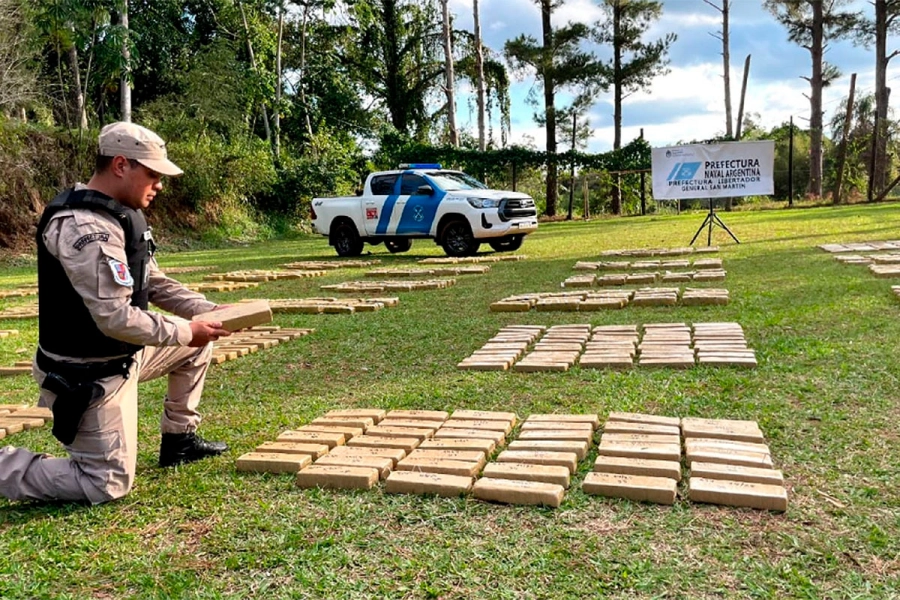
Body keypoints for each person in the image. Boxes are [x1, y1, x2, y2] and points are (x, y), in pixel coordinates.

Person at [0, 122, 232, 505]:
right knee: (105, 483)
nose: (159, 185)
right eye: (153, 174)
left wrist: (205, 311)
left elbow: (152, 282)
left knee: (195, 346)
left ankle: (179, 440)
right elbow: (116, 318)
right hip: (87, 373)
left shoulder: (119, 215)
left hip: (123, 355)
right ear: (121, 165)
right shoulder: (82, 227)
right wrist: (187, 330)